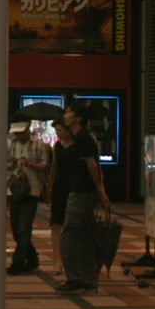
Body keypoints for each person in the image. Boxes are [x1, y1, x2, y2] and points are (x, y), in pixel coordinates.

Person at [57, 103, 110, 293]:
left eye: (69, 112)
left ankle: (75, 278)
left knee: (69, 235)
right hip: (84, 191)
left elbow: (93, 166)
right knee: (85, 236)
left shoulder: (82, 138)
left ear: (78, 118)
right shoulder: (80, 138)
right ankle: (89, 279)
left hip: (81, 192)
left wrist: (100, 191)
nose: (65, 115)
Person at [6, 121, 51, 275]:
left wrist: (29, 164)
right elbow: (5, 162)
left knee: (24, 227)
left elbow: (45, 166)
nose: (18, 136)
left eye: (21, 133)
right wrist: (11, 165)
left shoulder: (38, 145)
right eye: (16, 133)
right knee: (16, 228)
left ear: (27, 130)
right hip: (14, 189)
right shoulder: (10, 143)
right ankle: (32, 257)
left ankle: (18, 262)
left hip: (32, 189)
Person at [46, 119, 76, 276]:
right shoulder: (57, 146)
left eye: (60, 130)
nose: (58, 134)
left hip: (75, 187)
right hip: (59, 187)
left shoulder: (78, 145)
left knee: (72, 224)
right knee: (56, 224)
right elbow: (54, 167)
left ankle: (70, 259)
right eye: (56, 131)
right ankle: (58, 260)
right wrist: (49, 188)